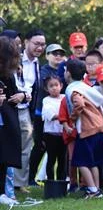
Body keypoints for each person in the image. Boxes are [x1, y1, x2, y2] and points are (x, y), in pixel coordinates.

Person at [64, 58, 103, 199]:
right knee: (93, 162)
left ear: (68, 73)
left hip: (87, 129)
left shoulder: (74, 89)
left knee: (80, 161)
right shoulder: (86, 86)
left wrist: (72, 119)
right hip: (99, 127)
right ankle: (96, 189)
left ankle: (92, 190)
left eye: (65, 70)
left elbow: (79, 104)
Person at [29, 42, 66, 185]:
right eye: (54, 53)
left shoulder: (63, 70)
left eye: (61, 54)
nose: (58, 56)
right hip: (41, 114)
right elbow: (45, 86)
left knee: (60, 153)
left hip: (61, 120)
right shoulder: (43, 70)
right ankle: (31, 177)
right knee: (40, 146)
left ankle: (60, 181)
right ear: (47, 55)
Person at [15, 29, 45, 192]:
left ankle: (20, 183)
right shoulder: (15, 58)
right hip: (10, 106)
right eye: (36, 44)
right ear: (26, 42)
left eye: (42, 44)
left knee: (25, 146)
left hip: (26, 109)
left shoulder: (36, 63)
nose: (39, 48)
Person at [0, 36, 22, 206]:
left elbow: (12, 92)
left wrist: (23, 95)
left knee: (3, 156)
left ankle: (1, 193)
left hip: (4, 121)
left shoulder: (8, 75)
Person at [41, 75, 66, 180]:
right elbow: (51, 116)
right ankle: (50, 181)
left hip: (63, 133)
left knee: (62, 159)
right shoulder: (46, 100)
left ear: (61, 86)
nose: (54, 88)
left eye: (56, 85)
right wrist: (65, 117)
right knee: (51, 159)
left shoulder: (65, 97)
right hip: (51, 134)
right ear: (47, 88)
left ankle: (61, 181)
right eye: (51, 86)